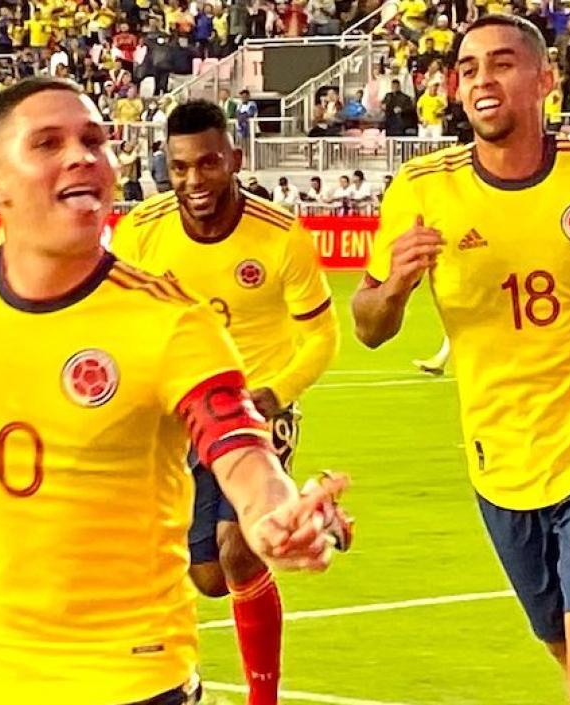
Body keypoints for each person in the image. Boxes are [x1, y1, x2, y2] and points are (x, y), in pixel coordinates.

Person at [0, 77, 351, 705]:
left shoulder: (172, 321)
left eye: (94, 141)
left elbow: (240, 447)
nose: (81, 156)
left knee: (221, 566)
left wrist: (270, 513)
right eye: (48, 143)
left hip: (135, 678)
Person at [351, 15, 570, 705]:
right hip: (501, 462)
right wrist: (393, 287)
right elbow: (368, 325)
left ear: (544, 80)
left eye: (503, 63)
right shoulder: (423, 190)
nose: (484, 79)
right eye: (470, 68)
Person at [112, 100, 342, 705]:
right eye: (180, 167)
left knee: (239, 548)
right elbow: (119, 321)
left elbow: (322, 335)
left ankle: (261, 698)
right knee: (208, 575)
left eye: (208, 164)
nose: (193, 181)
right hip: (175, 416)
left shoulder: (279, 234)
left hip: (255, 411)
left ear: (234, 160)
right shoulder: (141, 231)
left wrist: (276, 394)